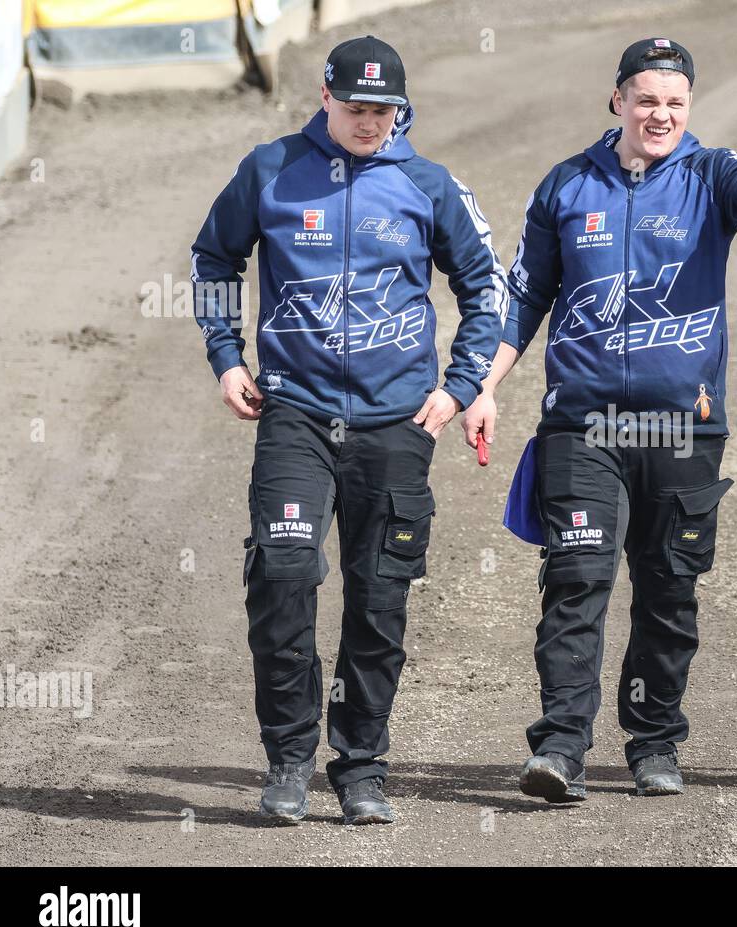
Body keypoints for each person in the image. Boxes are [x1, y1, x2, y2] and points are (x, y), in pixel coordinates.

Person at [462, 38, 737, 802]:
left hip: (683, 428)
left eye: (675, 102)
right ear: (616, 100)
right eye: (647, 99)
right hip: (583, 427)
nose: (661, 114)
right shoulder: (566, 186)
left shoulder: (711, 175)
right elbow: (524, 299)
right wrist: (482, 387)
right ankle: (560, 747)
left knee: (667, 589)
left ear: (689, 107)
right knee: (577, 578)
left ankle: (654, 744)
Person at [190, 35, 507, 823]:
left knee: (379, 600)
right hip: (294, 413)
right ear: (325, 98)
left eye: (384, 110)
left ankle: (361, 765)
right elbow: (212, 261)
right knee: (284, 577)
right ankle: (290, 757)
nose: (370, 123)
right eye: (357, 107)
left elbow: (487, 290)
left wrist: (460, 386)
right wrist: (227, 358)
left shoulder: (428, 185)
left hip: (396, 425)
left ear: (402, 110)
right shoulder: (269, 169)